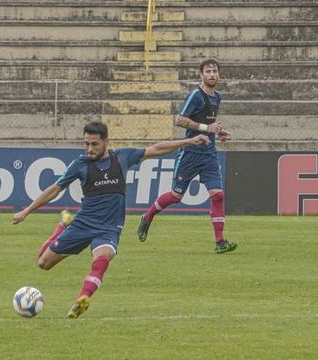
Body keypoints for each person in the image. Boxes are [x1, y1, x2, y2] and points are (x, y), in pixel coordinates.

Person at [12, 121, 209, 318]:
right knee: (43, 263)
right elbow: (55, 189)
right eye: (86, 143)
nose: (89, 148)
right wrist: (27, 211)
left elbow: (157, 149)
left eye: (94, 144)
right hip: (83, 223)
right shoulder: (80, 165)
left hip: (108, 227)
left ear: (106, 142)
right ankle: (63, 226)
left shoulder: (122, 157)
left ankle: (83, 298)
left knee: (102, 258)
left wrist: (189, 141)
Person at [137, 58, 237, 254]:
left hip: (209, 153)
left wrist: (217, 131)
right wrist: (205, 128)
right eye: (208, 71)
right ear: (201, 75)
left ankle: (220, 242)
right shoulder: (196, 95)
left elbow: (208, 122)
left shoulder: (217, 97)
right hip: (190, 153)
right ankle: (147, 217)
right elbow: (179, 120)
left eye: (215, 71)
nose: (212, 74)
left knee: (218, 195)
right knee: (176, 196)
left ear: (219, 74)